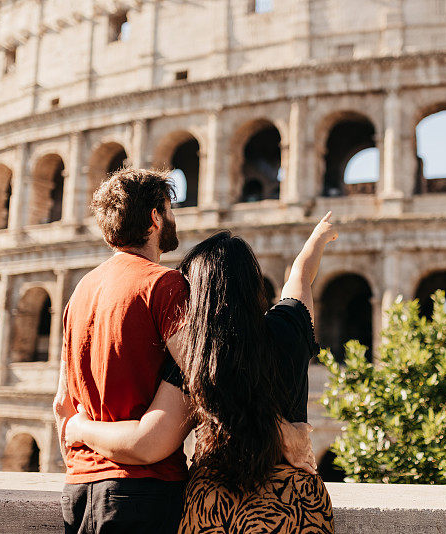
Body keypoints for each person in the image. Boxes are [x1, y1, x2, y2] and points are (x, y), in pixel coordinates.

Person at [53, 168, 314, 534]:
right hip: (143, 490)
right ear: (155, 217)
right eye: (170, 209)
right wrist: (285, 433)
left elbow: (62, 404)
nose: (174, 218)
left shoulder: (80, 291)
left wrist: (81, 446)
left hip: (78, 490)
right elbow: (213, 377)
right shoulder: (164, 285)